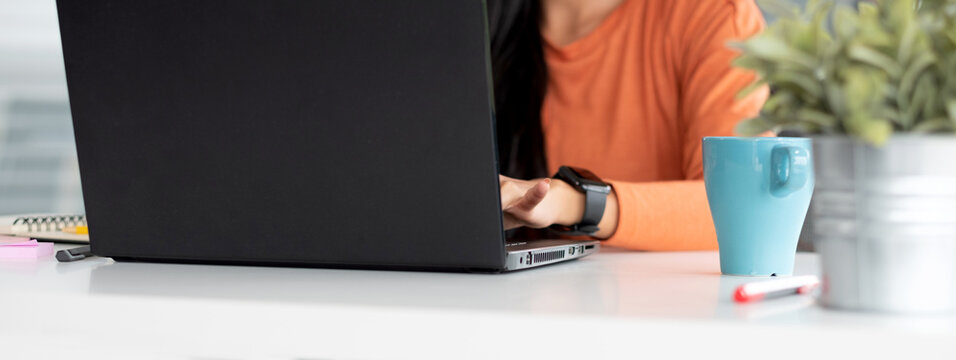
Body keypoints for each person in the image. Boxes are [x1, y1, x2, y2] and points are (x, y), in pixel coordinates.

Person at [488, 0, 769, 250]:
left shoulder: (713, 14)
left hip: (671, 299)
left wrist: (570, 203)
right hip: (495, 300)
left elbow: (740, 207)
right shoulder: (477, 22)